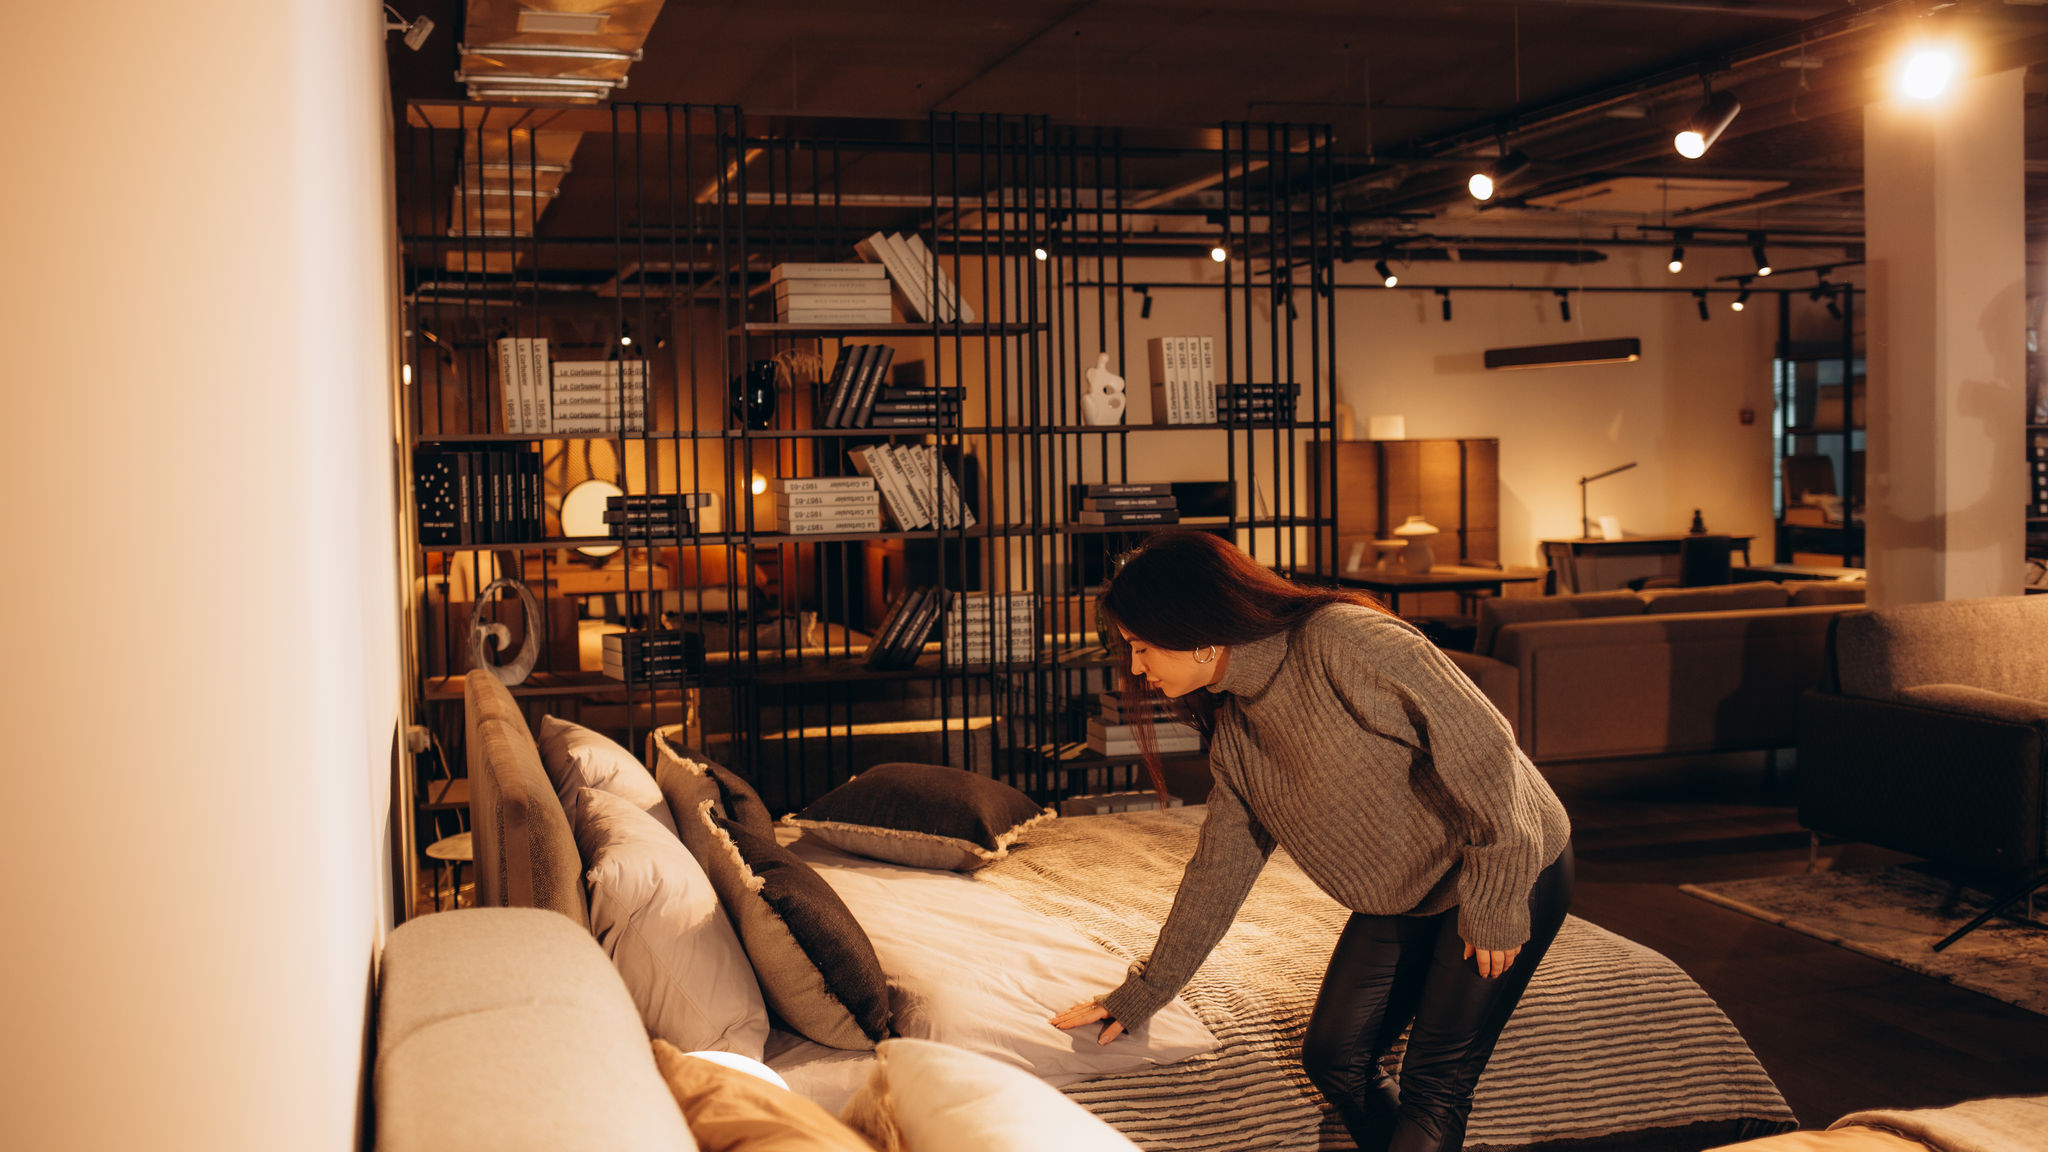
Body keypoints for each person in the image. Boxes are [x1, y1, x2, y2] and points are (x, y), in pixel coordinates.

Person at [1050, 530, 1572, 1152]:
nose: (1136, 668)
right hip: (1407, 893)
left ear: (1193, 629)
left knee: (1435, 1088)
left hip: (1505, 862)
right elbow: (1218, 871)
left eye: (1141, 646)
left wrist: (1497, 900)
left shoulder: (1341, 639)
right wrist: (1144, 992)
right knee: (1334, 1056)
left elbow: (1485, 746)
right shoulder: (1239, 729)